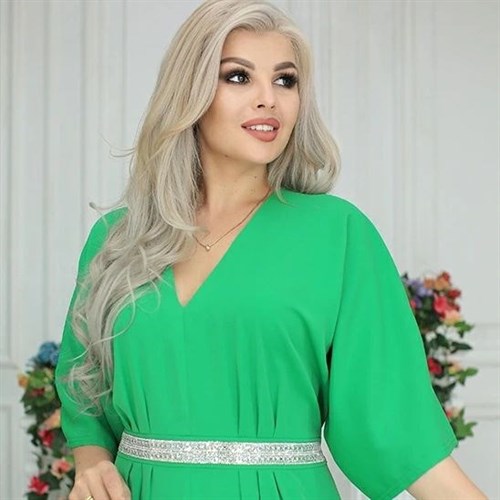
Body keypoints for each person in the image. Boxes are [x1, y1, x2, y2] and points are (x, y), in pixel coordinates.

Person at [55, 1, 486, 499]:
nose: (269, 99)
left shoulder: (337, 234)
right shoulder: (118, 239)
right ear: (190, 90)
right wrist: (91, 462)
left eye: (285, 80)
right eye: (238, 77)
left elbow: (392, 422)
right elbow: (84, 387)